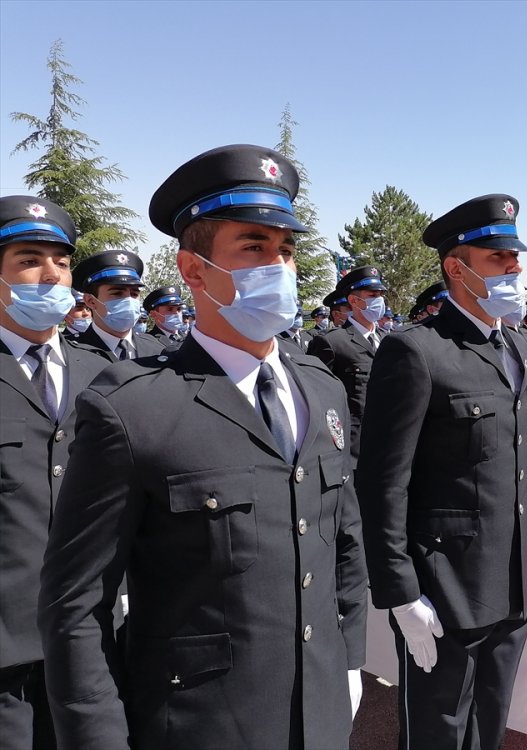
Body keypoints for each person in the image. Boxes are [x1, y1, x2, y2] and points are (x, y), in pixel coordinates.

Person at [37, 144, 368, 750]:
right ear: (194, 271)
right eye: (254, 247)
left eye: (287, 250)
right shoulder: (134, 407)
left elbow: (343, 537)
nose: (281, 267)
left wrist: (350, 661)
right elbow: (76, 606)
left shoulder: (321, 391)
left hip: (319, 715)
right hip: (199, 727)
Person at [357, 194, 527, 750]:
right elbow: (383, 481)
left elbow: (519, 464)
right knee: (439, 728)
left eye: (515, 256)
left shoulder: (525, 348)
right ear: (456, 268)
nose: (515, 267)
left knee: (492, 721)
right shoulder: (418, 352)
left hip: (510, 580)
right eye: (498, 257)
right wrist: (398, 591)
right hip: (444, 586)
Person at [0, 196, 109, 750]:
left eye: (61, 262)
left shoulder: (108, 375)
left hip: (94, 635)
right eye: (28, 259)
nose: (50, 274)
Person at [306, 265, 389, 463]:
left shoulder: (390, 340)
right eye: (372, 294)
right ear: (354, 300)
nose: (379, 300)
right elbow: (318, 400)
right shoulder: (332, 342)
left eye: (381, 294)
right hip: (352, 451)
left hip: (387, 445)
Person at [69, 250, 164, 361]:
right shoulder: (72, 354)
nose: (129, 300)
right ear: (91, 301)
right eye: (117, 293)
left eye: (134, 294)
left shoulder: (158, 349)